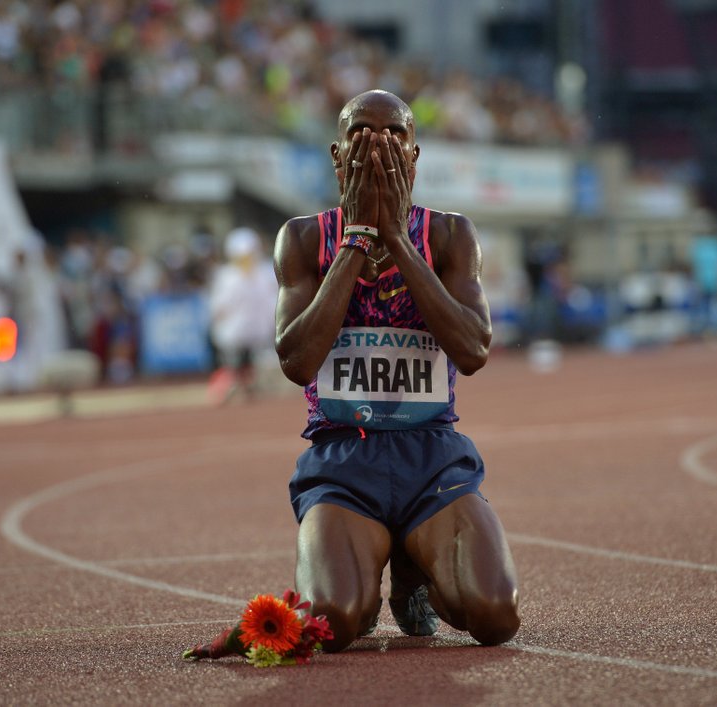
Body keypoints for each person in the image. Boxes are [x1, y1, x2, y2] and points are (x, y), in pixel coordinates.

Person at [273, 89, 521, 652]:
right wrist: (357, 238)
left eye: (394, 136)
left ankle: (414, 568)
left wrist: (399, 241)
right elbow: (297, 361)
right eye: (362, 133)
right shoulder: (306, 238)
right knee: (332, 621)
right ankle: (367, 571)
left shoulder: (449, 235)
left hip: (431, 455)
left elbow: (473, 350)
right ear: (337, 157)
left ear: (414, 156)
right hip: (343, 460)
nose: (378, 147)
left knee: (494, 615)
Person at [208, 227, 278, 402]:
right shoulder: (226, 276)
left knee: (259, 363)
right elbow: (219, 306)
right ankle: (230, 384)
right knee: (233, 363)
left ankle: (249, 384)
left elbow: (273, 301)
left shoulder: (266, 272)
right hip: (234, 332)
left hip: (260, 332)